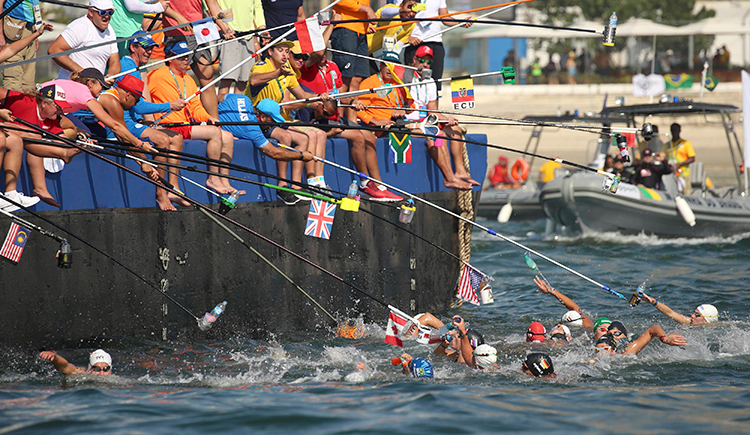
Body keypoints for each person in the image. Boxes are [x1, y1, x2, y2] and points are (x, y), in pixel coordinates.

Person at [356, 52, 472, 190]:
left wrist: (403, 111)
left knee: (438, 133)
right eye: (387, 65)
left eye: (393, 66)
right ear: (380, 65)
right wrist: (374, 120)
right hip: (382, 128)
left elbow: (411, 106)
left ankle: (453, 176)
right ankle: (449, 178)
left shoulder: (397, 83)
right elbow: (358, 108)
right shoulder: (368, 83)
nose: (389, 69)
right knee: (432, 134)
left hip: (398, 124)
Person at [148, 41, 240, 195]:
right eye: (182, 57)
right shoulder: (157, 76)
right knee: (214, 133)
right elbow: (142, 97)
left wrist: (209, 118)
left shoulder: (189, 80)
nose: (186, 60)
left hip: (185, 125)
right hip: (167, 125)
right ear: (170, 58)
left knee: (228, 136)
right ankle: (212, 178)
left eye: (187, 57)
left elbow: (195, 107)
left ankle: (223, 179)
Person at [247, 39, 331, 196]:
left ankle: (297, 185)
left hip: (273, 119)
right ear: (270, 52)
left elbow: (302, 95)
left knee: (304, 138)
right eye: (281, 50)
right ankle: (282, 185)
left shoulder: (288, 72)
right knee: (285, 136)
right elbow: (254, 80)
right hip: (257, 119)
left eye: (287, 51)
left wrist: (319, 97)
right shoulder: (262, 65)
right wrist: (278, 73)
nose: (285, 54)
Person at [117, 31, 189, 210]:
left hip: (134, 120)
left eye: (151, 48)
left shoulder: (137, 68)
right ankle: (161, 194)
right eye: (145, 47)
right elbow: (139, 107)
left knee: (177, 138)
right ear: (133, 47)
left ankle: (172, 189)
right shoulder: (126, 66)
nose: (149, 52)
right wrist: (169, 106)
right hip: (124, 123)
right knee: (163, 139)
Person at [404, 45, 478, 187]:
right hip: (412, 121)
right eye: (421, 60)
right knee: (439, 134)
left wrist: (447, 119)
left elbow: (433, 110)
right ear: (414, 60)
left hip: (428, 120)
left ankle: (460, 172)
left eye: (428, 62)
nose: (425, 64)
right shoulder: (405, 77)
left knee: (456, 129)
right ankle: (449, 178)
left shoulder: (430, 82)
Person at [98, 75, 177, 208]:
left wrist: (142, 162)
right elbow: (123, 135)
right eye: (137, 100)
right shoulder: (112, 101)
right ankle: (161, 192)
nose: (135, 105)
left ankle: (162, 191)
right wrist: (144, 162)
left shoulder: (111, 96)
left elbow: (123, 137)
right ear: (128, 95)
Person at [0, 84, 83, 209]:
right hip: (3, 129)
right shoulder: (24, 101)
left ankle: (10, 194)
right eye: (58, 107)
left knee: (19, 140)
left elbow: (62, 141)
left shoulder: (51, 120)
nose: (61, 111)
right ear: (44, 103)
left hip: (10, 135)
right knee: (34, 136)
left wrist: (79, 144)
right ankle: (42, 184)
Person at [163, 0, 234, 119]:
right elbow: (160, 4)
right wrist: (178, 17)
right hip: (175, 33)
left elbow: (213, 6)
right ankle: (175, 120)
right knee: (175, 78)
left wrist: (226, 29)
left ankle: (215, 123)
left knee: (208, 79)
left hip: (198, 32)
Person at [400, 0, 472, 92]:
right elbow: (397, 16)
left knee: (434, 85)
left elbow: (444, 17)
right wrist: (407, 37)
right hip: (414, 43)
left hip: (435, 41)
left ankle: (433, 106)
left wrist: (460, 23)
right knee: (411, 83)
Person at [48, 0, 120, 80]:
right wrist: (84, 74)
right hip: (72, 85)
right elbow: (54, 50)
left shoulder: (110, 30)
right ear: (91, 12)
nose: (107, 16)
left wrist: (111, 75)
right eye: (102, 12)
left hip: (94, 88)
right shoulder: (80, 26)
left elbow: (114, 61)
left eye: (110, 12)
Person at [331, 0, 377, 123]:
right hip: (345, 28)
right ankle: (337, 119)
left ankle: (352, 120)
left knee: (357, 78)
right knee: (344, 79)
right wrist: (368, 10)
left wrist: (365, 24)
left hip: (360, 30)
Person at [217, 0, 267, 100]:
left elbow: (257, 6)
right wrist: (223, 27)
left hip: (248, 35)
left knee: (243, 81)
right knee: (227, 79)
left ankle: (237, 110)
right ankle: (223, 110)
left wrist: (262, 29)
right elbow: (211, 7)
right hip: (229, 35)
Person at [0, 0, 44, 90]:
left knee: (29, 80)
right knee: (13, 77)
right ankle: (11, 103)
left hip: (29, 26)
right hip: (14, 23)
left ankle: (26, 102)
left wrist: (35, 33)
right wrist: (0, 33)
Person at [109, 0, 178, 56]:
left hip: (132, 33)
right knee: (125, 69)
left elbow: (140, 1)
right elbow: (132, 6)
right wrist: (157, 8)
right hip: (124, 35)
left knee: (139, 69)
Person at [597, 323, 686, 356]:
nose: (614, 337)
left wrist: (664, 338)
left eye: (617, 333)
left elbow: (653, 328)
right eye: (610, 334)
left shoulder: (628, 350)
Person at [639, 292, 719, 325]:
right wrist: (653, 301)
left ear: (706, 320)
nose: (692, 316)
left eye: (697, 315)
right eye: (694, 313)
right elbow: (671, 313)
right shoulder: (690, 323)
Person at [667, 123, 695, 194]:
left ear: (679, 131)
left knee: (686, 193)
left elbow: (692, 158)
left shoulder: (686, 144)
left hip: (683, 174)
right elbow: (662, 155)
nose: (674, 132)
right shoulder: (668, 145)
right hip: (671, 174)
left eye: (675, 130)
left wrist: (680, 164)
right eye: (672, 130)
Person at [39, 349, 113, 375]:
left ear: (110, 370)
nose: (102, 373)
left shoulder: (116, 380)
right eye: (97, 369)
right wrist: (55, 356)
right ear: (90, 369)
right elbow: (65, 367)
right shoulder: (81, 374)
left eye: (106, 369)